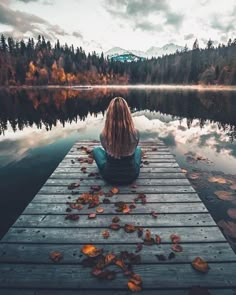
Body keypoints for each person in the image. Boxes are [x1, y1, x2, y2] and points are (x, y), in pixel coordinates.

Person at [93, 97, 141, 184]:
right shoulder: (136, 133)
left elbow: (107, 151)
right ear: (127, 114)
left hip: (109, 176)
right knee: (138, 150)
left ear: (109, 114)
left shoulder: (103, 135)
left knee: (96, 150)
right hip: (131, 175)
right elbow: (134, 150)